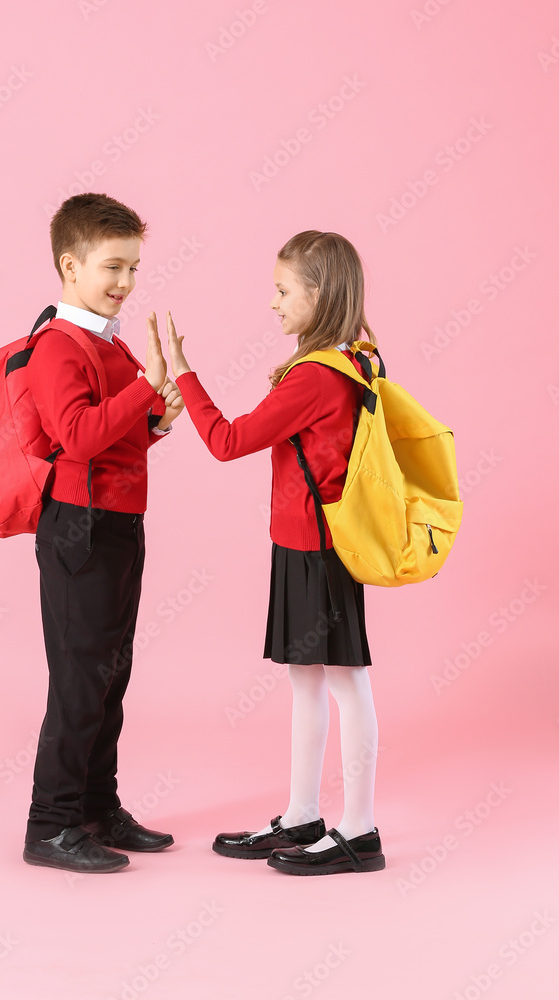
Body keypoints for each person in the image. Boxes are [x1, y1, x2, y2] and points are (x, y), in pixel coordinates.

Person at [160, 230, 386, 875]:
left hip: (318, 547)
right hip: (305, 543)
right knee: (308, 680)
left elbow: (228, 440)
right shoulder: (357, 357)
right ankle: (302, 815)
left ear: (321, 293)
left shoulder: (318, 375)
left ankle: (360, 830)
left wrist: (183, 372)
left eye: (284, 290)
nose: (274, 302)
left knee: (344, 682)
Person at [22, 193, 185, 873]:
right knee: (79, 679)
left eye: (133, 268)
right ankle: (50, 826)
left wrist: (154, 421)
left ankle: (96, 807)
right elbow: (79, 436)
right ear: (70, 265)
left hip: (118, 521)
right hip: (79, 529)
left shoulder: (104, 343)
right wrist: (146, 388)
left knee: (108, 676)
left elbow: (115, 441)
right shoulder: (57, 346)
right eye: (113, 266)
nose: (125, 282)